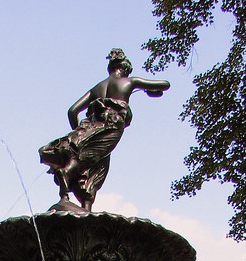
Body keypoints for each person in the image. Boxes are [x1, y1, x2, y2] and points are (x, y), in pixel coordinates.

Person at [39, 48, 170, 212]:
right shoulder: (129, 82)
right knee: (90, 158)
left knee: (98, 162)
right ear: (123, 69)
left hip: (90, 127)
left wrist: (82, 133)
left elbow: (72, 111)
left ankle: (85, 202)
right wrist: (149, 89)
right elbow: (165, 84)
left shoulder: (96, 88)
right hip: (112, 126)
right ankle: (66, 174)